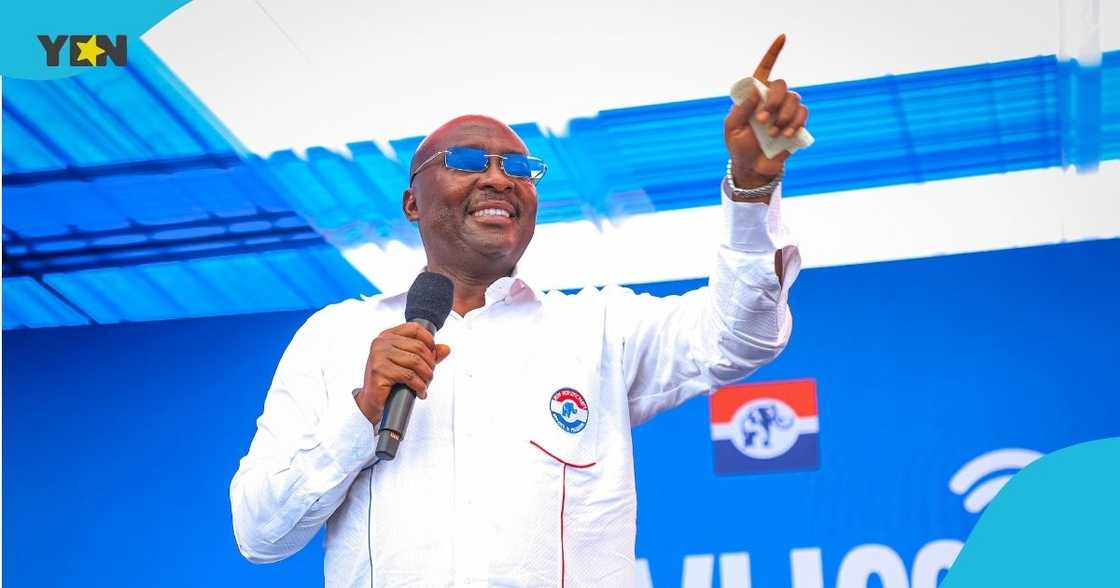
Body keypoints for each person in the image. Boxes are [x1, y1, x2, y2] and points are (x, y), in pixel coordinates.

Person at [231, 35, 806, 587]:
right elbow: (260, 534)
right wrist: (361, 412)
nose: (498, 179)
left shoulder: (599, 329)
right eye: (465, 161)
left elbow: (738, 337)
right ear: (412, 202)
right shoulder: (335, 337)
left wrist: (753, 188)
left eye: (519, 168)